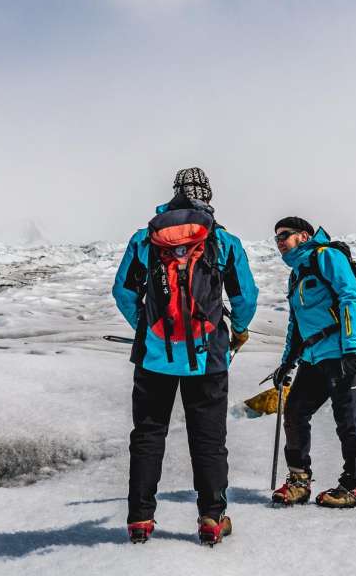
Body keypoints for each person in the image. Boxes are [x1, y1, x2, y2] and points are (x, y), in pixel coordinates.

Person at [111, 167, 259, 545]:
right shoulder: (222, 240)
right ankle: (211, 518)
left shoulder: (146, 239)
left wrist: (149, 329)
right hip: (207, 355)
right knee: (208, 438)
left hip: (154, 357)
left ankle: (140, 520)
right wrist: (236, 333)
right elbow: (245, 298)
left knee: (148, 434)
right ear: (208, 195)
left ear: (174, 193)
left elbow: (124, 293)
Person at [270, 216, 356, 509]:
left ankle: (354, 487)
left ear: (303, 235)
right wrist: (287, 361)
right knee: (295, 412)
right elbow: (296, 323)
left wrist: (351, 348)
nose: (279, 242)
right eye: (276, 238)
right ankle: (299, 480)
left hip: (341, 353)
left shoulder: (326, 256)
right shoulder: (297, 273)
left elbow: (350, 298)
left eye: (284, 235)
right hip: (314, 357)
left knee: (347, 419)